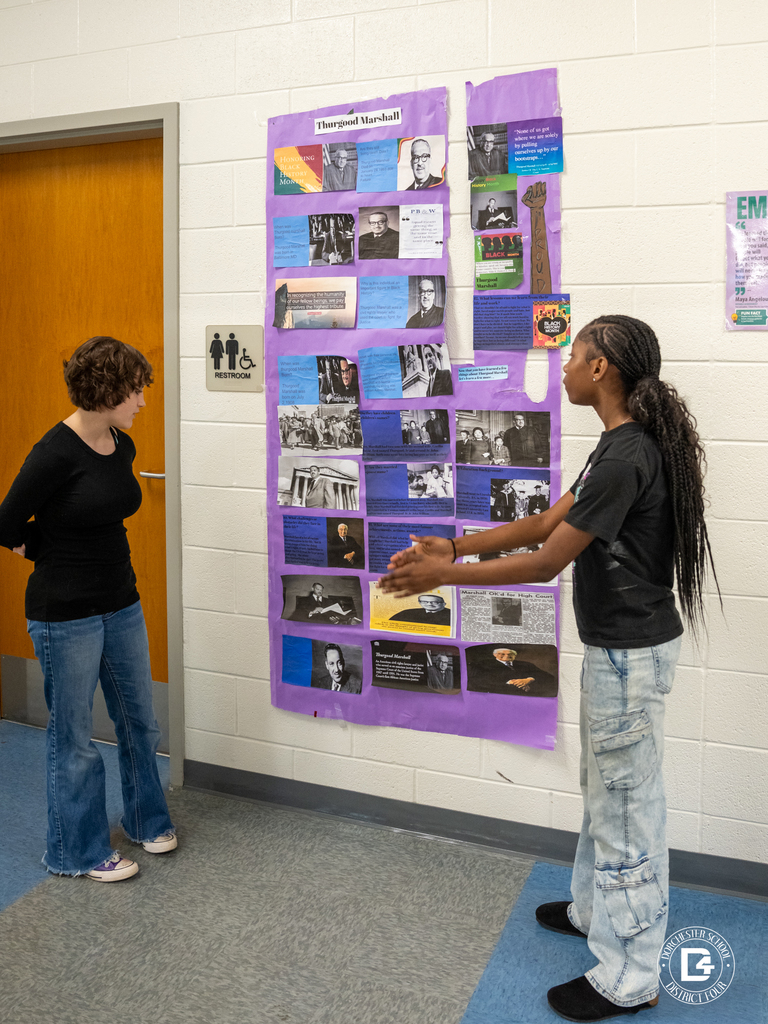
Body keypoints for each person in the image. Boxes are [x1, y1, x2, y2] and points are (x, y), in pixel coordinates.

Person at [379, 314, 719, 1022]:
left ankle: (630, 978)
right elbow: (542, 525)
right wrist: (454, 543)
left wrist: (443, 576)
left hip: (629, 657)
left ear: (601, 370)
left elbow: (544, 562)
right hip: (620, 652)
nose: (563, 367)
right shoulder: (617, 446)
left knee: (627, 808)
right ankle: (596, 913)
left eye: (574, 356)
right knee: (607, 790)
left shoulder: (629, 455)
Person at [0, 336, 176, 883]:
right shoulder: (54, 452)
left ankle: (147, 820)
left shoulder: (120, 444)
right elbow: (7, 522)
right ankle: (76, 852)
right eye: (136, 391)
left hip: (121, 602)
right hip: (64, 613)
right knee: (74, 740)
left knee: (139, 722)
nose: (143, 401)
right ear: (106, 391)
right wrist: (47, 550)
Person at [466, 646, 557, 697]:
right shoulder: (482, 664)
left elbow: (548, 677)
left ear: (515, 655)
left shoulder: (526, 664)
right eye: (502, 653)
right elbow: (476, 681)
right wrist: (510, 683)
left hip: (528, 697)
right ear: (495, 654)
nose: (507, 655)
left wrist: (529, 680)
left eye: (511, 654)